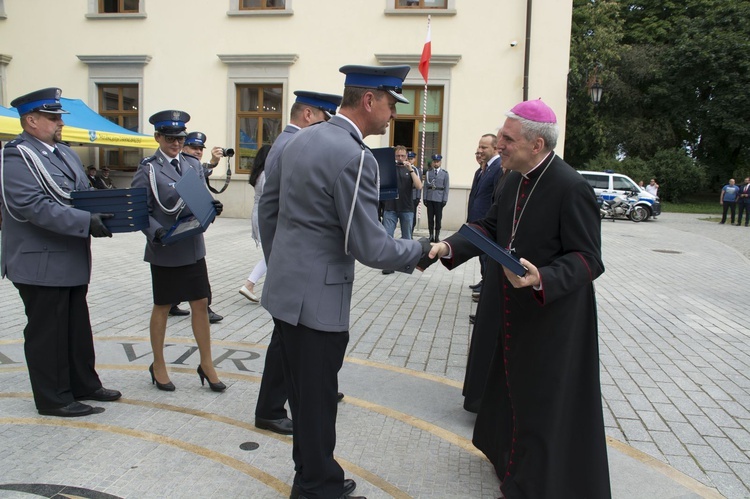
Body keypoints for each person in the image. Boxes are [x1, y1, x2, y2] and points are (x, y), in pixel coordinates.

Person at [421, 99, 611, 498]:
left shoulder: (571, 186)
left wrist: (545, 277)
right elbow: (488, 228)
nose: (500, 145)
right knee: (510, 389)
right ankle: (507, 461)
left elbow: (589, 259)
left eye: (507, 138)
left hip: (552, 315)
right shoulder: (511, 179)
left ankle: (534, 482)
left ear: (537, 144)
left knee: (539, 400)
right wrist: (448, 247)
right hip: (510, 307)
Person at [258, 64, 432, 499]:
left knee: (304, 395)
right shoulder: (355, 157)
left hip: (286, 294)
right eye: (392, 103)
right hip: (319, 301)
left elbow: (267, 210)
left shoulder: (300, 139)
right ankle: (317, 486)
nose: (394, 113)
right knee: (317, 400)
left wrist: (282, 266)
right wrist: (424, 250)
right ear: (369, 100)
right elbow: (370, 246)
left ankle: (310, 474)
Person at [0, 87, 121, 417]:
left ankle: (83, 383)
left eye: (59, 118)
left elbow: (82, 195)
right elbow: (31, 207)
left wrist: (120, 212)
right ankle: (54, 398)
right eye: (53, 118)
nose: (59, 123)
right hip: (40, 262)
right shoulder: (16, 156)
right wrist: (86, 222)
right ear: (30, 121)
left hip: (69, 258)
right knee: (47, 334)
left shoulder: (63, 153)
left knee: (75, 328)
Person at [251, 91, 343, 438]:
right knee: (284, 342)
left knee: (287, 340)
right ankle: (271, 409)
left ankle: (292, 398)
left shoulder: (294, 142)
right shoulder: (290, 144)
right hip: (290, 265)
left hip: (290, 264)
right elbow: (269, 204)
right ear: (307, 114)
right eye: (324, 117)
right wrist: (278, 260)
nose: (327, 126)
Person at [131, 110, 226, 393]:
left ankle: (206, 363)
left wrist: (212, 207)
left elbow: (200, 197)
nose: (176, 143)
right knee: (162, 305)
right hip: (166, 248)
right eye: (170, 138)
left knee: (200, 303)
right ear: (158, 137)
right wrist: (155, 232)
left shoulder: (192, 165)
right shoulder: (147, 169)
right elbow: (141, 209)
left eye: (180, 138)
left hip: (192, 245)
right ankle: (158, 364)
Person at [176, 131, 224, 324]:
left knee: (184, 267)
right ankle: (206, 308)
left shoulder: (193, 165)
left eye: (199, 149)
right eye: (193, 148)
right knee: (193, 268)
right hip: (178, 226)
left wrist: (214, 161)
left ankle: (172, 302)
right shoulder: (177, 165)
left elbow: (204, 170)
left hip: (190, 228)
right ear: (184, 147)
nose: (197, 152)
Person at [466, 135, 503, 292]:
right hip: (478, 220)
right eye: (479, 147)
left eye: (484, 147)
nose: (479, 150)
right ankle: (484, 280)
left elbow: (497, 197)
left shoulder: (498, 168)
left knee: (488, 255)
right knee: (482, 255)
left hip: (487, 222)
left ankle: (488, 286)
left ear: (495, 149)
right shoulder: (483, 169)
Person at [239, 144, 271, 304]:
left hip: (258, 213)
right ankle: (249, 284)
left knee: (271, 253)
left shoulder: (258, 174)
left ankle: (253, 285)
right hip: (264, 214)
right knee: (272, 254)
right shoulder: (266, 174)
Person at [422, 153, 449, 242]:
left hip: (439, 198)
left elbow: (446, 187)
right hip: (430, 198)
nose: (436, 163)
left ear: (440, 162)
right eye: (434, 162)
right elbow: (425, 186)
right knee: (430, 218)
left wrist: (444, 199)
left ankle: (437, 235)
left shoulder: (445, 174)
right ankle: (431, 235)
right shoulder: (429, 173)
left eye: (438, 162)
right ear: (432, 163)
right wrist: (424, 198)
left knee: (438, 218)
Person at [409, 151, 421, 233]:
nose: (409, 160)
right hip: (406, 195)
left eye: (411, 159)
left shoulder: (416, 170)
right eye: (408, 158)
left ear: (414, 159)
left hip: (413, 195)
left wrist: (418, 197)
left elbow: (419, 185)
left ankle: (411, 232)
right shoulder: (403, 167)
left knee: (413, 216)